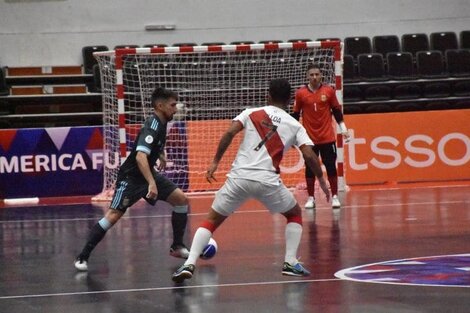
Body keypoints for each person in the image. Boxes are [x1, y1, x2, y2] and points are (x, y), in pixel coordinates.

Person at [172, 78, 330, 283]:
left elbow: (229, 132)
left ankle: (189, 263)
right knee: (294, 214)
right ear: (290, 100)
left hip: (239, 178)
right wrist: (322, 180)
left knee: (210, 221)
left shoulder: (250, 113)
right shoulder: (294, 125)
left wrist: (215, 163)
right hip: (267, 181)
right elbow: (309, 155)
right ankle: (290, 262)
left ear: (268, 96)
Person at [74, 87, 190, 271]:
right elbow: (140, 157)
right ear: (160, 105)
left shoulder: (161, 123)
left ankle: (177, 246)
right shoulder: (152, 125)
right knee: (113, 216)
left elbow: (150, 146)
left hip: (147, 174)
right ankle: (83, 256)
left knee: (181, 200)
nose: (175, 109)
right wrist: (152, 183)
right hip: (131, 178)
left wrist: (160, 154)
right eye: (172, 105)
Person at [292, 63, 350, 209]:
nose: (314, 77)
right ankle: (311, 198)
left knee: (330, 166)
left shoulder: (329, 91)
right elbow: (295, 115)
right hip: (309, 140)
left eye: (317, 74)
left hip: (327, 138)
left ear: (321, 76)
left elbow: (337, 111)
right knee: (310, 168)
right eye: (311, 75)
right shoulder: (300, 94)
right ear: (307, 76)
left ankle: (335, 196)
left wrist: (343, 128)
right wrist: (292, 136)